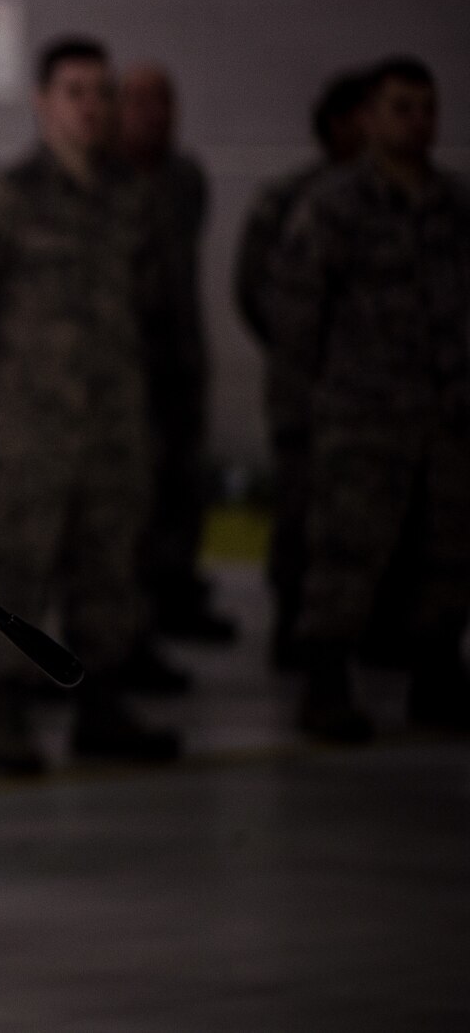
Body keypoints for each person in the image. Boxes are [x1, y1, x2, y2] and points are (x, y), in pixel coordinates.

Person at [0, 36, 182, 776]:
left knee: (108, 568)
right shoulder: (3, 199)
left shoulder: (133, 197)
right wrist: (19, 380)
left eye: (102, 92)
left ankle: (101, 704)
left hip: (112, 423)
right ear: (42, 102)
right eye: (75, 91)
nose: (91, 106)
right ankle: (6, 710)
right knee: (17, 569)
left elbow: (155, 303)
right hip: (28, 428)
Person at [268, 57, 470, 741]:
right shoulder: (334, 206)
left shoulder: (456, 204)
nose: (417, 122)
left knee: (449, 554)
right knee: (346, 557)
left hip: (447, 417)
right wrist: (311, 408)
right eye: (401, 108)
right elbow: (295, 317)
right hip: (363, 416)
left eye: (426, 107)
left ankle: (437, 675)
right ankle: (325, 682)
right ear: (369, 120)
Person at [233, 69, 370, 669]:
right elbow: (256, 291)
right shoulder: (294, 200)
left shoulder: (434, 202)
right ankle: (300, 632)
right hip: (310, 392)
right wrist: (309, 361)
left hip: (393, 400)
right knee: (303, 513)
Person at [115, 62, 231, 644]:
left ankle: (178, 594)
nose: (151, 113)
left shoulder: (186, 179)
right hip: (122, 373)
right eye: (137, 101)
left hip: (179, 363)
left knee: (183, 491)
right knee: (128, 506)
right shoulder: (103, 181)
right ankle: (133, 625)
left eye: (162, 100)